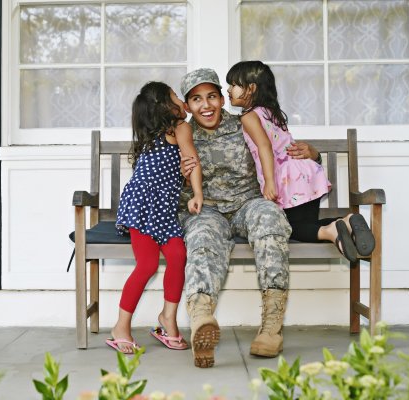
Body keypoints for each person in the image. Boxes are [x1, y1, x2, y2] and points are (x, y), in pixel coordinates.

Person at [177, 68, 294, 366]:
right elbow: (155, 168)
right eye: (196, 99)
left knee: (270, 217)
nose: (206, 105)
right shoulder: (182, 133)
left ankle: (271, 328)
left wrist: (315, 153)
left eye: (212, 96)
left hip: (247, 204)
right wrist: (178, 174)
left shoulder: (245, 121)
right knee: (201, 237)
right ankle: (202, 319)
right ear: (188, 105)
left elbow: (279, 149)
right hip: (207, 209)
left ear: (221, 98)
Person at [225, 60, 375, 263]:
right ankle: (346, 221)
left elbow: (264, 147)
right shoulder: (271, 112)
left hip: (287, 180)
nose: (229, 89)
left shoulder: (249, 117)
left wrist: (269, 181)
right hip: (305, 173)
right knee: (309, 223)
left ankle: (331, 232)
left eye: (233, 85)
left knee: (290, 227)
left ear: (251, 89)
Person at [107, 81, 204, 354]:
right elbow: (191, 159)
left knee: (177, 256)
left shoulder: (172, 132)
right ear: (165, 106)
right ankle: (120, 327)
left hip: (163, 211)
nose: (182, 100)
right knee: (147, 264)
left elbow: (186, 164)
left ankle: (167, 319)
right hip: (141, 208)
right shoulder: (176, 129)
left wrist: (191, 187)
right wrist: (197, 192)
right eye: (176, 96)